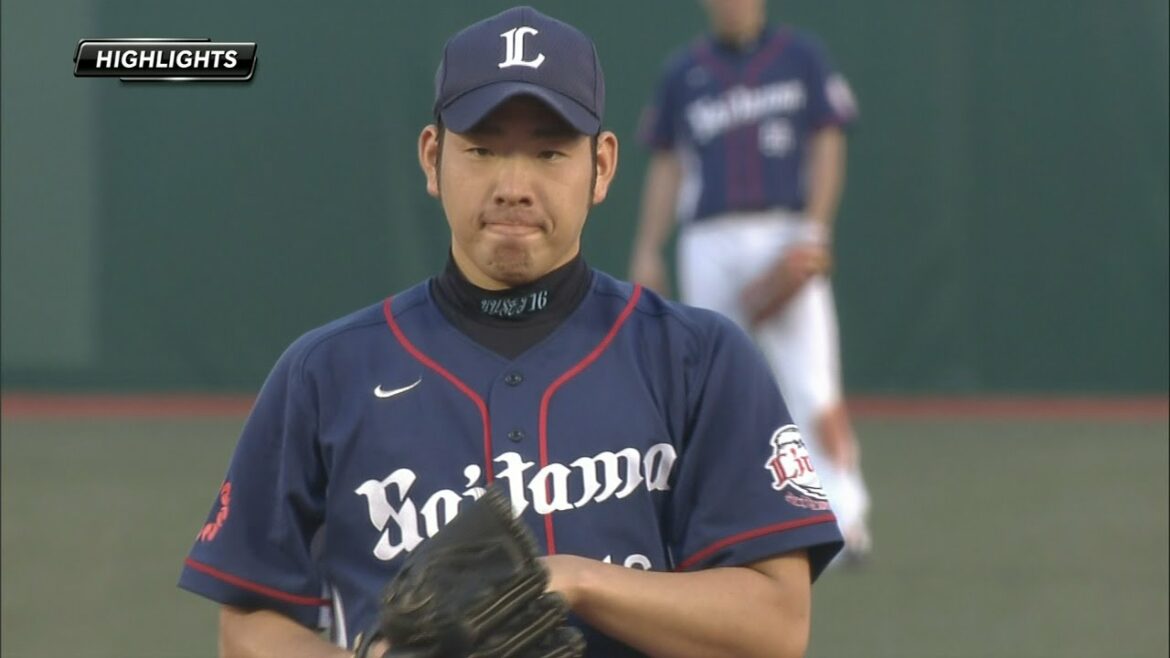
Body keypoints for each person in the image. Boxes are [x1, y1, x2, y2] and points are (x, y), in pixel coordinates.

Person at [179, 6, 843, 657]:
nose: (514, 185)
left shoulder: (699, 359)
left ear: (602, 167)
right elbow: (249, 627)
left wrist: (569, 581)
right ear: (433, 157)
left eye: (550, 151)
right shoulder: (324, 373)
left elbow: (776, 624)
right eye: (483, 149)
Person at [629, 0, 872, 562]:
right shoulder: (682, 71)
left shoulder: (801, 56)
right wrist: (648, 245)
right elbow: (667, 163)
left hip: (783, 230)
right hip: (708, 239)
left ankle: (844, 519)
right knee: (711, 388)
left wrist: (816, 230)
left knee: (812, 382)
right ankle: (725, 525)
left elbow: (828, 140)